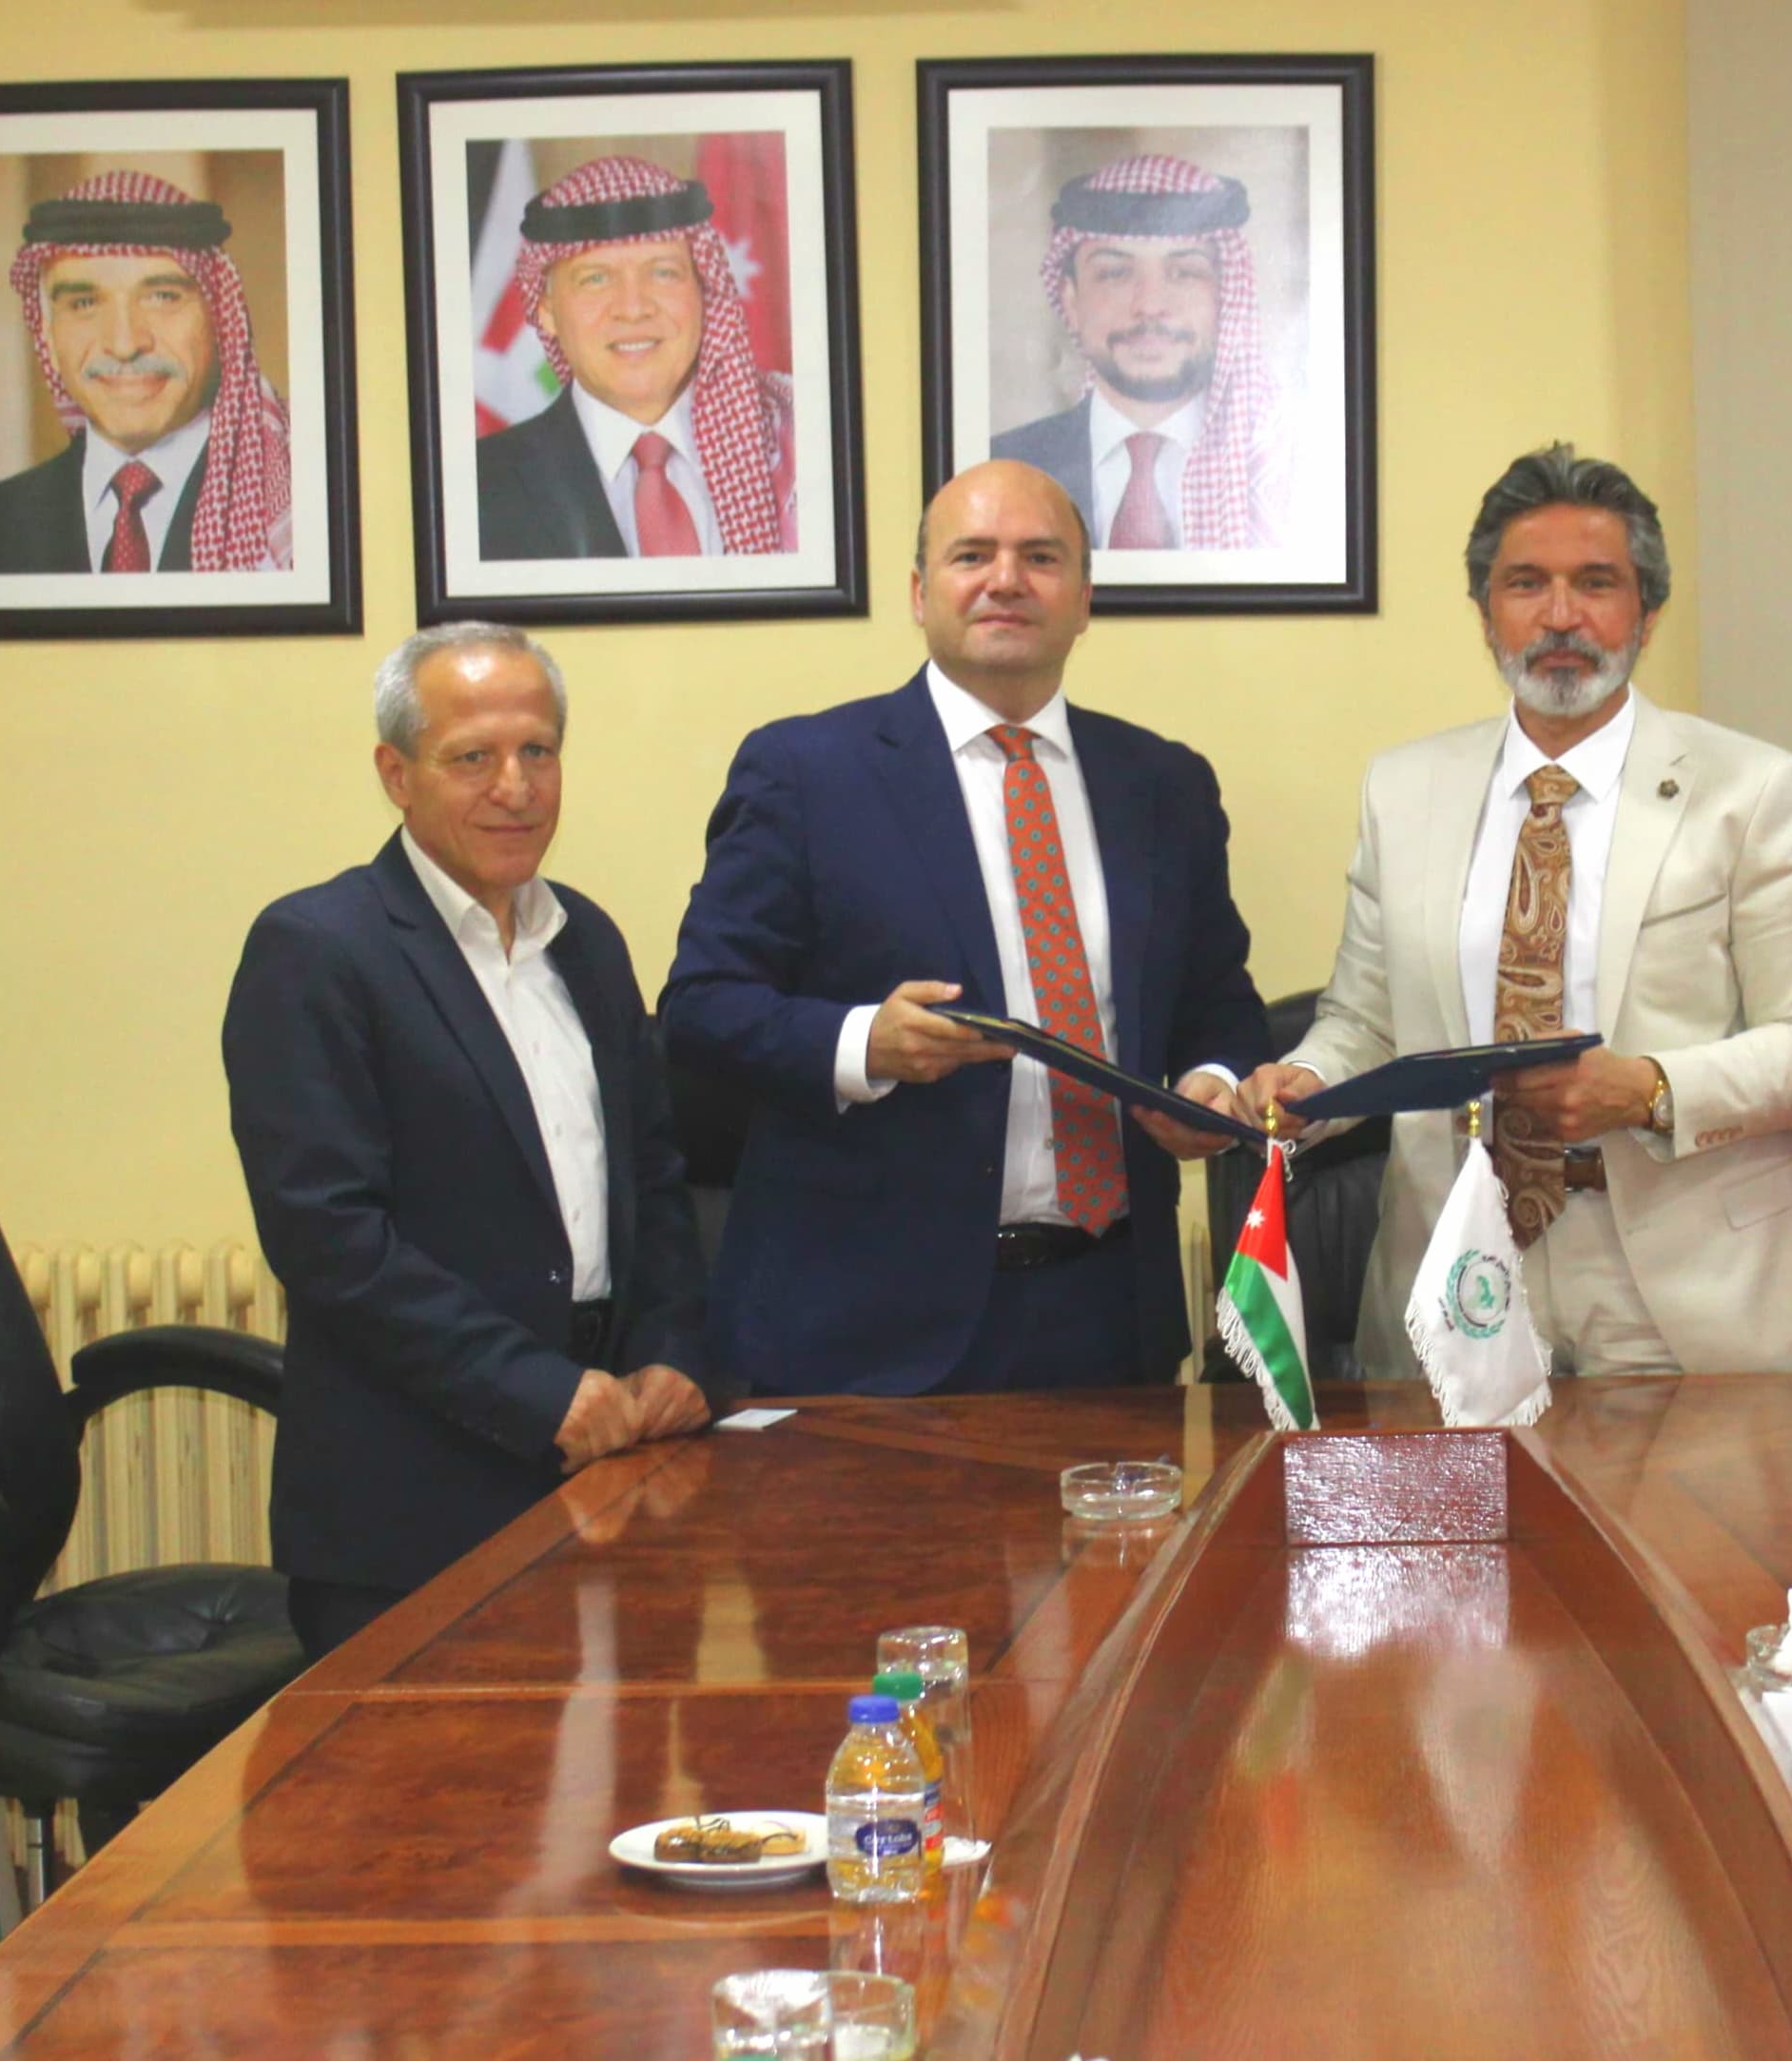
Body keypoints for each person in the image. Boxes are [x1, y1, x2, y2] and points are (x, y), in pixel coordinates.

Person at [1238, 444, 1792, 1378]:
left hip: (1688, 1283)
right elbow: (1364, 1021)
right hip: (1456, 1269)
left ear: (1647, 610)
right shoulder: (1403, 790)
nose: (1561, 616)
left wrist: (1646, 1088)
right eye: (1526, 584)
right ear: (1486, 610)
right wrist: (1304, 1084)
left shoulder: (1755, 791)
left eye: (1595, 583)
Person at [664, 459, 1269, 1394]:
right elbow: (701, 1007)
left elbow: (1220, 1006)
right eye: (971, 555)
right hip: (864, 1329)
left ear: (1083, 601)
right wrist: (864, 1042)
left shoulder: (1164, 784)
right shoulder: (806, 770)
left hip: (1109, 1315)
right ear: (919, 593)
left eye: (1040, 557)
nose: (1005, 579)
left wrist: (1209, 1089)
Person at [222, 621, 727, 1658]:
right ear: (395, 774)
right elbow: (331, 1241)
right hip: (417, 1502)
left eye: (538, 751)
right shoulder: (318, 949)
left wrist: (674, 1351)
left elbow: (654, 1175)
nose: (516, 787)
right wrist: (540, 1392)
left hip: (618, 1462)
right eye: (472, 757)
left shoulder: (585, 940)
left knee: (620, 1759)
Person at [476, 156, 795, 562]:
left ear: (705, 292)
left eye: (663, 273)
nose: (633, 308)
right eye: (596, 278)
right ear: (547, 313)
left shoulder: (796, 445)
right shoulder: (478, 489)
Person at [0, 170, 292, 574]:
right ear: (49, 340)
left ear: (221, 324)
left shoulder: (293, 513)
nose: (125, 344)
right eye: (84, 304)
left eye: (162, 297)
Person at [990, 153, 1281, 552]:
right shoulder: (1001, 467)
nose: (1149, 305)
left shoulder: (1285, 472)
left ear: (1225, 298)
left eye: (1184, 273)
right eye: (1115, 273)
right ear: (1071, 301)